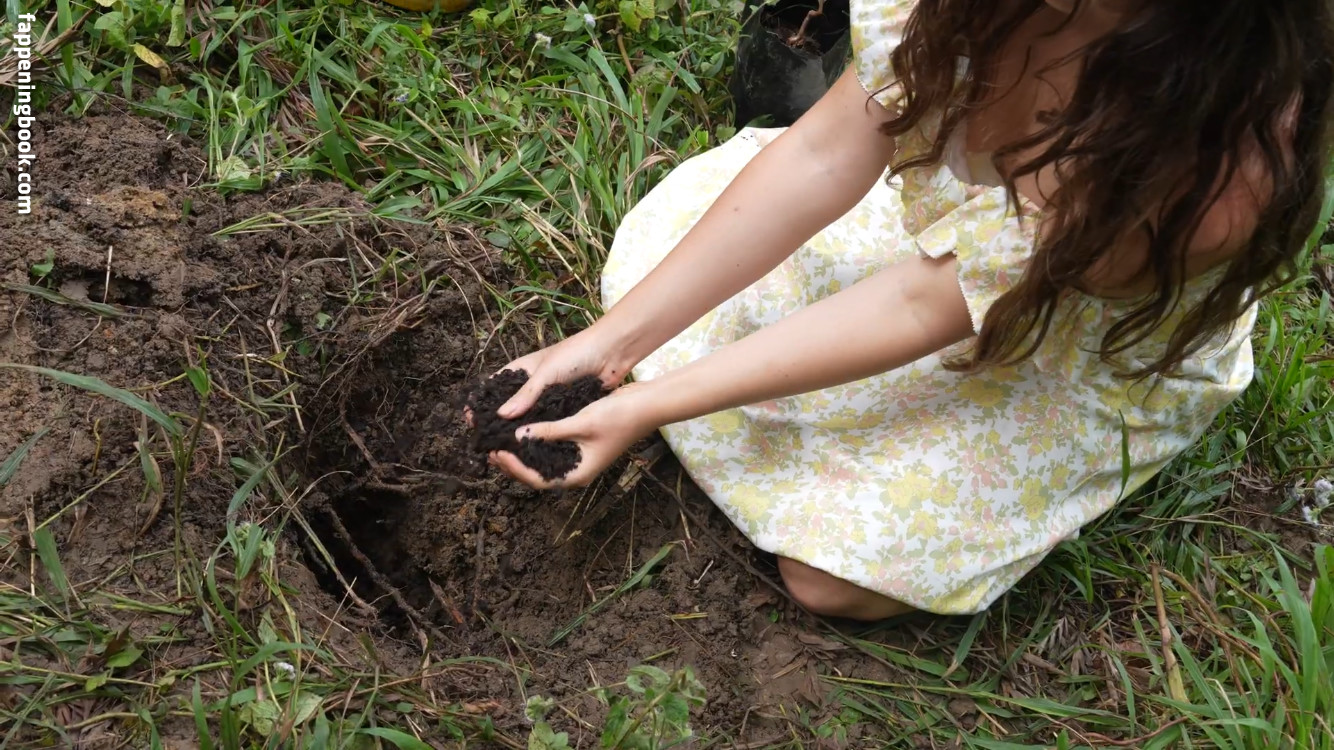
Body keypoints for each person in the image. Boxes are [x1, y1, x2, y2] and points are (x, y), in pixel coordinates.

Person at [484, 0, 1333, 620]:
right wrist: (610, 346)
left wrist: (647, 404)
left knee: (833, 575)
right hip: (962, 262)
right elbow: (824, 153)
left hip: (1079, 345)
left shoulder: (1214, 171)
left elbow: (923, 302)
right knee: (667, 247)